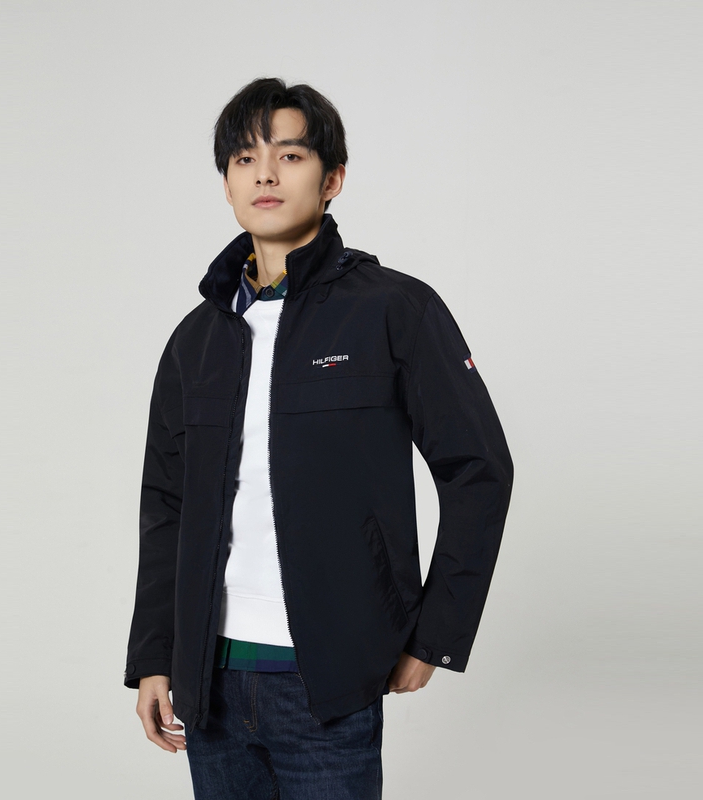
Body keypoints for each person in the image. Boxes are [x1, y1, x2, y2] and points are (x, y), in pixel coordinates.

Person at [125, 77, 513, 799]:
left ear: (332, 179)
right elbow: (166, 505)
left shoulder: (394, 308)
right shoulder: (196, 339)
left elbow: (479, 470)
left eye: (290, 155)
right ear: (227, 184)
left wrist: (435, 634)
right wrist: (154, 655)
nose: (265, 175)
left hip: (327, 680)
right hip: (208, 683)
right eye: (244, 159)